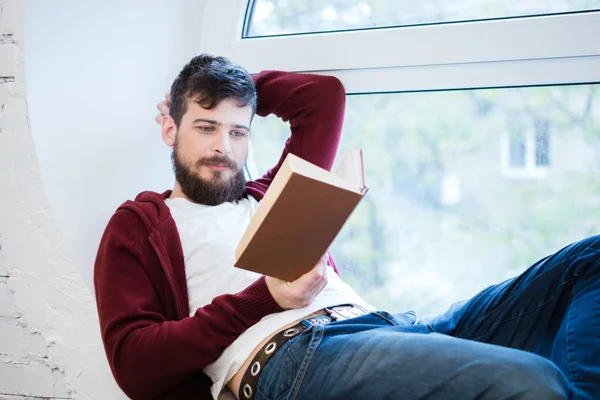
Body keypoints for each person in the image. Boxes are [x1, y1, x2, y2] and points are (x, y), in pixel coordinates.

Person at [94, 54, 599, 400]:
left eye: (238, 130)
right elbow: (135, 365)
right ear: (170, 129)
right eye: (205, 126)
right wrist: (265, 299)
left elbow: (322, 98)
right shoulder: (141, 224)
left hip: (387, 327)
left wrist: (232, 89)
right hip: (294, 356)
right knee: (531, 381)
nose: (223, 146)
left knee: (591, 259)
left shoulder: (269, 193)